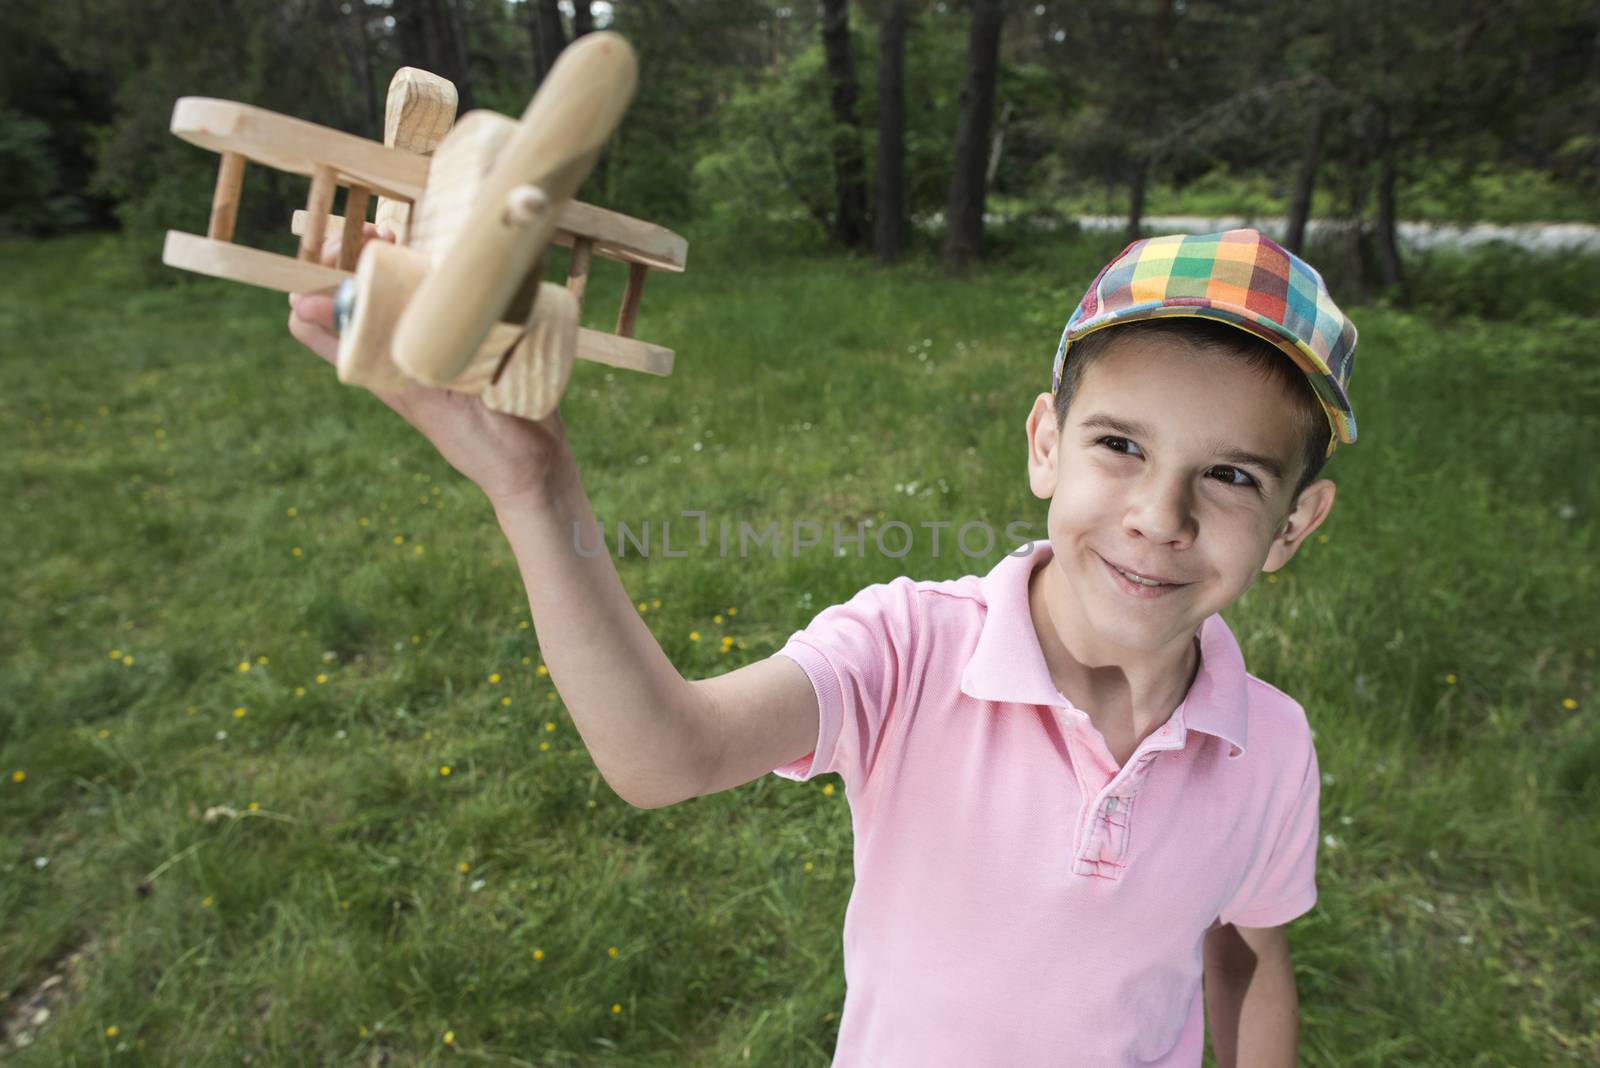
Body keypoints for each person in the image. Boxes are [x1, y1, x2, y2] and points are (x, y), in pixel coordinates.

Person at [288, 227, 1356, 1067]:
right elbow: (668, 755)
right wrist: (534, 486)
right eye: (1119, 446)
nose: (1158, 516)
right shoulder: (909, 649)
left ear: (1294, 526)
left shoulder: (1271, 745)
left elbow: (1246, 950)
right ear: (1045, 444)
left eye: (1230, 477)